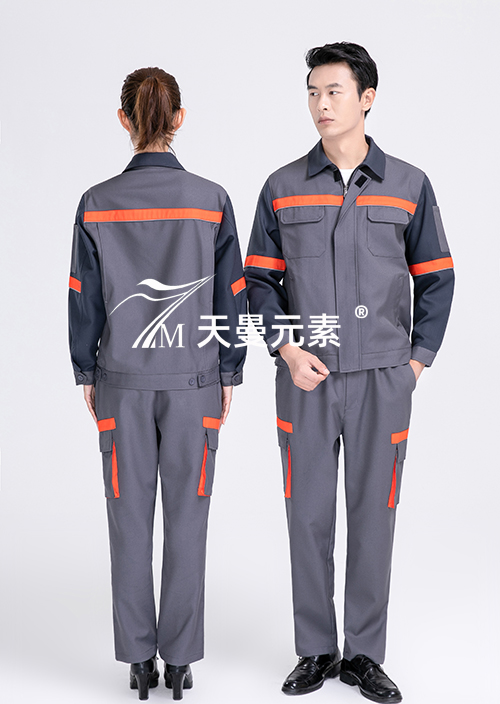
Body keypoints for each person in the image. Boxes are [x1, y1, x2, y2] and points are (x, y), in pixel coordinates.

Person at [245, 42, 454, 703]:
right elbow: (257, 282)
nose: (321, 104)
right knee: (307, 515)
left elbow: (437, 278)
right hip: (305, 378)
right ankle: (315, 650)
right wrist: (285, 349)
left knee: (373, 517)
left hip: (383, 380)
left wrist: (415, 361)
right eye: (312, 92)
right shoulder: (282, 187)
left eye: (334, 91)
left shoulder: (408, 184)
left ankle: (364, 655)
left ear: (367, 98)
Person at [68, 67, 246, 701]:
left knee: (128, 522)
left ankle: (138, 661)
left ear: (124, 120)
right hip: (196, 384)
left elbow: (84, 296)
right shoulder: (211, 199)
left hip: (121, 383)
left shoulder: (96, 203)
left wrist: (86, 370)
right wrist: (230, 371)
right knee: (188, 520)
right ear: (179, 120)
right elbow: (232, 294)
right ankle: (180, 663)